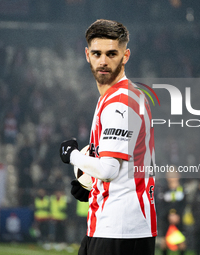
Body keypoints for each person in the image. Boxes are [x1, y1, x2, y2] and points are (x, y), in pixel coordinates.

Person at [59, 19, 157, 255]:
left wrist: (70, 155)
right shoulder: (119, 96)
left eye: (112, 54)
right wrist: (90, 184)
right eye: (97, 53)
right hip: (113, 226)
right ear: (87, 54)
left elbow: (108, 170)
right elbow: (118, 167)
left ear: (126, 56)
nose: (103, 61)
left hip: (120, 231)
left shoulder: (119, 102)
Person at [159, 170, 187, 255]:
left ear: (178, 175)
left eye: (174, 174)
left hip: (179, 219)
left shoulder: (182, 189)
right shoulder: (163, 190)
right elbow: (161, 205)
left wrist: (177, 215)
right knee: (164, 242)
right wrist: (169, 215)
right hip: (166, 219)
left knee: (181, 242)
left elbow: (184, 204)